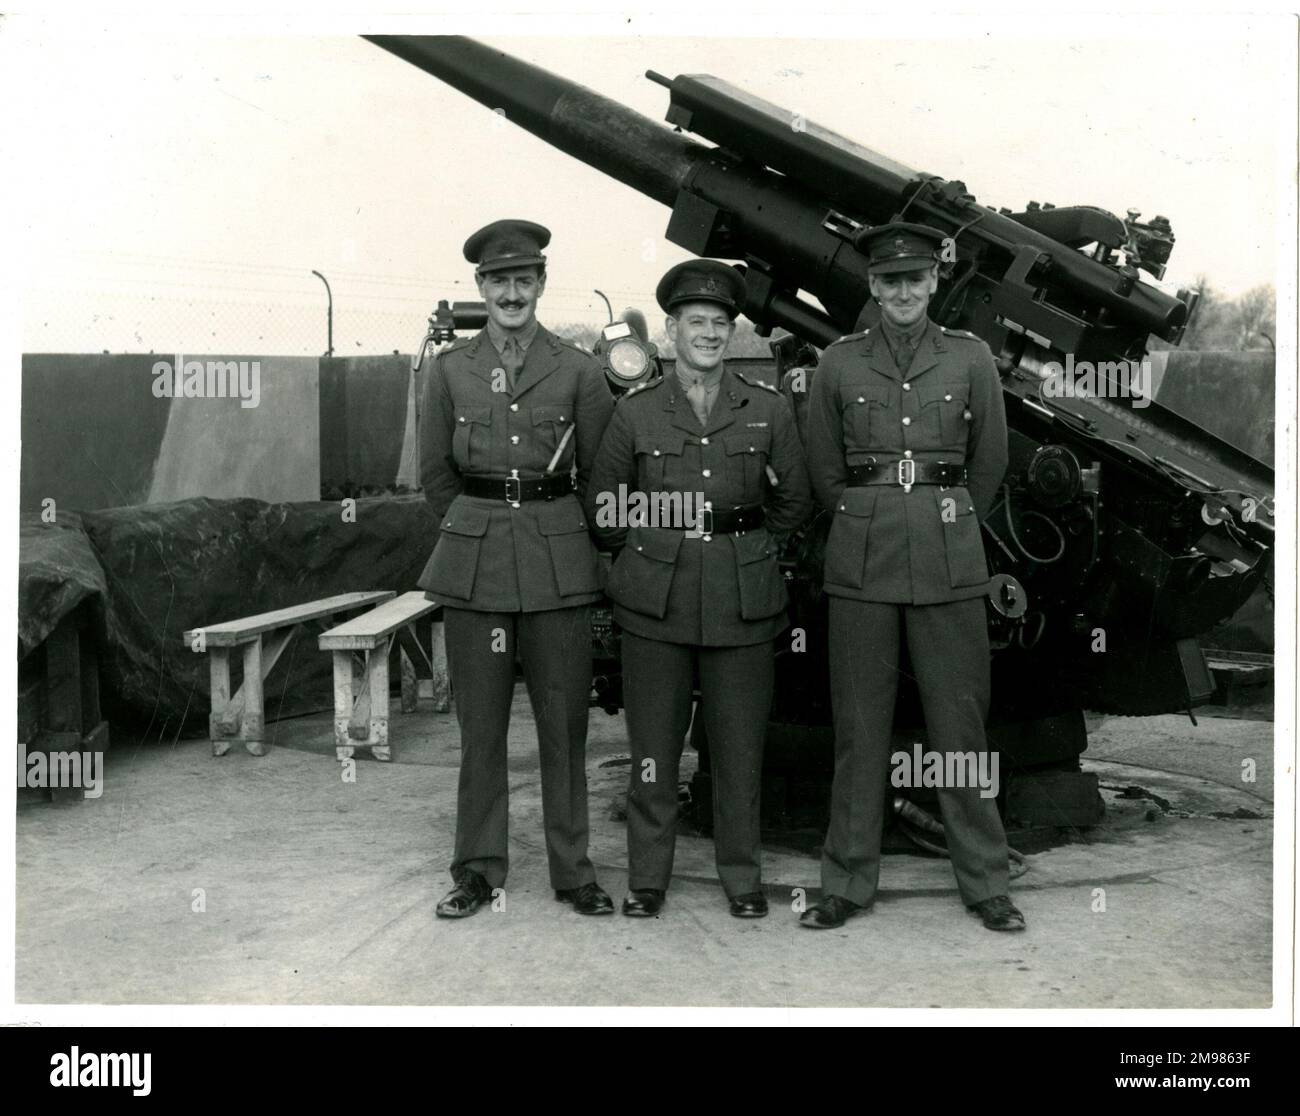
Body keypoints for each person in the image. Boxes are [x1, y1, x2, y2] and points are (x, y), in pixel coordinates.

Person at [801, 221, 1025, 932]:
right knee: (859, 728)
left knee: (960, 727)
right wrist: (868, 517)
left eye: (915, 279)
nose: (902, 291)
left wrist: (948, 519)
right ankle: (845, 882)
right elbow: (823, 469)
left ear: (935, 283)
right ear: (872, 285)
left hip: (948, 559)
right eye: (889, 280)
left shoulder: (970, 359)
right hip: (862, 562)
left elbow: (988, 463)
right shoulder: (839, 362)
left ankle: (987, 883)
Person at [586, 259, 812, 919]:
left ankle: (742, 880)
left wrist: (755, 553)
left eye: (719, 323)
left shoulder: (766, 409)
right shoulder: (636, 413)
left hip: (742, 598)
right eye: (695, 323)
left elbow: (795, 502)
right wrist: (645, 551)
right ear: (671, 329)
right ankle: (647, 880)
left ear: (731, 332)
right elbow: (605, 507)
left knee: (738, 747)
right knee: (652, 752)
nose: (708, 334)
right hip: (655, 600)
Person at [419, 219, 615, 919]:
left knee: (565, 727)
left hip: (558, 567)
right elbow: (436, 478)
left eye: (523, 280)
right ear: (480, 287)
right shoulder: (448, 372)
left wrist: (561, 530)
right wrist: (481, 525)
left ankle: (573, 871)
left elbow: (599, 476)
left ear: (540, 285)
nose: (511, 292)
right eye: (498, 281)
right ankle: (477, 869)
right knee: (481, 730)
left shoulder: (579, 369)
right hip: (474, 568)